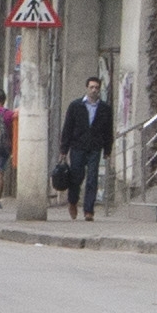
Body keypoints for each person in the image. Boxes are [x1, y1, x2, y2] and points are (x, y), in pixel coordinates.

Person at [56, 73, 115, 224]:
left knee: (92, 179)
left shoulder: (104, 109)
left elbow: (108, 131)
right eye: (91, 87)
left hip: (95, 147)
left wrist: (108, 150)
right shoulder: (76, 106)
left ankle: (89, 210)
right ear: (87, 89)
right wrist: (64, 150)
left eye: (97, 88)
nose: (94, 90)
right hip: (78, 146)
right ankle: (73, 201)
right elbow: (67, 128)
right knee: (76, 176)